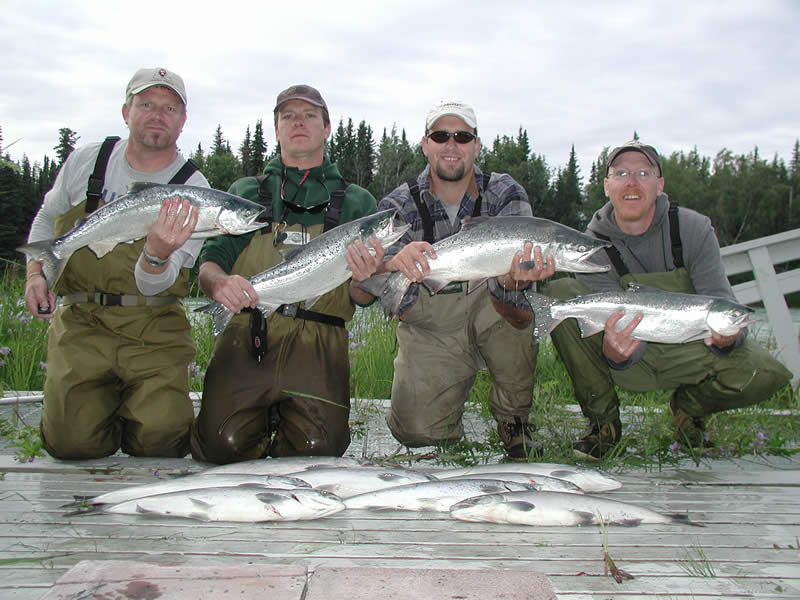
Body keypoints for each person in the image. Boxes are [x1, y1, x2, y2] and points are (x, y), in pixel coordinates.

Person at [543, 139, 793, 460]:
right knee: (561, 294)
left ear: (659, 184)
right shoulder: (591, 244)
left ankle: (689, 410)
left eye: (643, 173)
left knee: (768, 373)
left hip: (690, 346)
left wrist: (728, 338)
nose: (631, 182)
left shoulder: (693, 228)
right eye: (620, 174)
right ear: (607, 185)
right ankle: (603, 424)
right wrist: (616, 353)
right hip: (628, 352)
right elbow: (610, 328)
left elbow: (720, 297)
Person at [23, 67, 209, 459]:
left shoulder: (195, 190)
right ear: (126, 111)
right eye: (146, 104)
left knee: (163, 442)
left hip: (155, 327)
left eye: (169, 107)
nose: (158, 114)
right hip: (82, 324)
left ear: (183, 121)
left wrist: (157, 254)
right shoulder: (88, 161)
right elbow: (46, 216)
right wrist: (35, 272)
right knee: (70, 445)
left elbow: (160, 283)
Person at [190, 85, 382, 464]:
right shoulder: (245, 193)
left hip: (320, 341)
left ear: (327, 128)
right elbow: (208, 266)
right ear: (276, 129)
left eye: (309, 115)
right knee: (220, 446)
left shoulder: (359, 203)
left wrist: (364, 281)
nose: (298, 122)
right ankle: (258, 417)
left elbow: (364, 296)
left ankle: (280, 419)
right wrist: (220, 285)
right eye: (288, 116)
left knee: (317, 452)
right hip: (248, 334)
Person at [371, 99, 555, 460]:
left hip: (495, 310)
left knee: (517, 309)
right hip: (433, 322)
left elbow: (522, 308)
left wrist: (514, 281)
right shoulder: (397, 204)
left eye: (463, 136)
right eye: (441, 136)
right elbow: (379, 288)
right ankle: (441, 405)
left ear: (477, 145)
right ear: (425, 144)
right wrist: (394, 265)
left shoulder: (505, 193)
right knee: (417, 433)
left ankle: (514, 419)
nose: (452, 144)